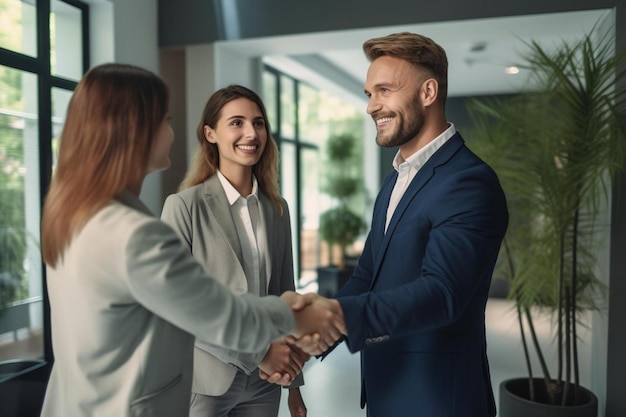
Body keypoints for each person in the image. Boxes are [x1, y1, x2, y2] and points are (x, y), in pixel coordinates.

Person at [39, 63, 344, 417]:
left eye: (258, 122)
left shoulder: (76, 218)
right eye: (164, 120)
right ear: (134, 130)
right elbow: (217, 312)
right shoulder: (135, 233)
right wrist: (298, 314)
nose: (170, 131)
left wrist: (290, 365)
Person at [306, 32, 509, 416]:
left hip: (437, 399)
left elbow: (442, 292)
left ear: (428, 92)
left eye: (384, 90)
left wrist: (337, 316)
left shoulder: (469, 181)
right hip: (386, 390)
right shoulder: (397, 177)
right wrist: (314, 339)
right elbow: (367, 276)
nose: (371, 106)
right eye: (368, 94)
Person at [161, 85, 307, 417]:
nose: (251, 133)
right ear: (210, 133)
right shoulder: (184, 207)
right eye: (237, 123)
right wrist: (259, 353)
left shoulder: (276, 209)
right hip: (205, 380)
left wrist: (294, 384)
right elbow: (178, 306)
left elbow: (285, 296)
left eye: (258, 123)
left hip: (265, 384)